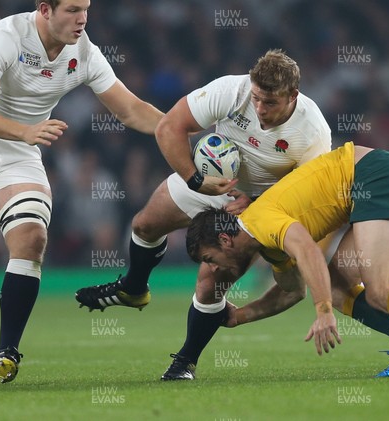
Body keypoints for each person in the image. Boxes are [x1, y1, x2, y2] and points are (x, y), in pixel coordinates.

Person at [0, 0, 163, 385]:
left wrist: (184, 131)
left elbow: (131, 110)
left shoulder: (85, 52)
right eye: (73, 10)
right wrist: (26, 131)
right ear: (45, 9)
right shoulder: (6, 36)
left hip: (17, 153)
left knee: (31, 236)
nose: (83, 19)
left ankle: (6, 351)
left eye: (86, 9)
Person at [74, 49, 332, 380]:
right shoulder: (232, 90)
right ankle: (134, 288)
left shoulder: (313, 131)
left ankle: (185, 362)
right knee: (145, 224)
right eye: (256, 99)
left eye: (270, 103)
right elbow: (170, 126)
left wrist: (255, 204)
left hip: (263, 205)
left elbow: (304, 197)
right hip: (210, 181)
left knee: (212, 276)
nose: (259, 109)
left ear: (293, 96)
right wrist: (196, 180)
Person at [186, 141, 389, 377]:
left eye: (209, 258)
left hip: (375, 175)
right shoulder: (266, 243)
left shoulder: (260, 222)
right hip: (369, 186)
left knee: (380, 290)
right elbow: (293, 289)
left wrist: (323, 312)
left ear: (225, 240)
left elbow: (306, 251)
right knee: (336, 287)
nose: (212, 268)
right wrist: (240, 316)